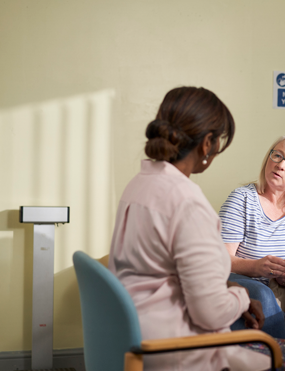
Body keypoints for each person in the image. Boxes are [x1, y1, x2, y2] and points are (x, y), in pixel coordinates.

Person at [108, 87, 272, 370]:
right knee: (280, 359)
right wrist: (243, 296)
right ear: (207, 143)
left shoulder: (139, 185)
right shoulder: (187, 203)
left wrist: (228, 286)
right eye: (219, 140)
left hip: (132, 338)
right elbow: (210, 315)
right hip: (178, 350)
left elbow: (158, 272)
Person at [219, 135, 285, 340]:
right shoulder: (241, 199)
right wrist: (256, 267)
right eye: (277, 155)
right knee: (264, 296)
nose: (280, 165)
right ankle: (279, 358)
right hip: (247, 283)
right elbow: (219, 259)